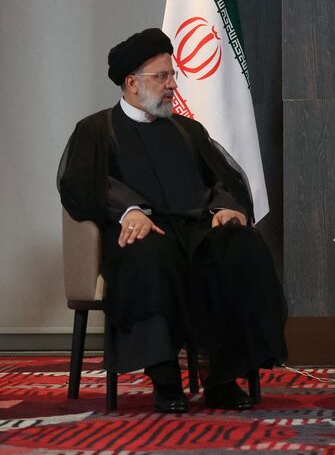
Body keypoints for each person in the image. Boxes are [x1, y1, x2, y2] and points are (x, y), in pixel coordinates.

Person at [57, 28, 287, 413]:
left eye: (172, 75)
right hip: (143, 235)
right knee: (149, 257)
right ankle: (164, 379)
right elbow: (83, 186)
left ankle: (224, 379)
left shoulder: (187, 130)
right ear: (131, 83)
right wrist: (130, 211)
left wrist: (227, 207)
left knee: (242, 247)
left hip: (197, 230)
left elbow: (222, 180)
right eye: (161, 77)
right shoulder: (97, 130)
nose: (172, 84)